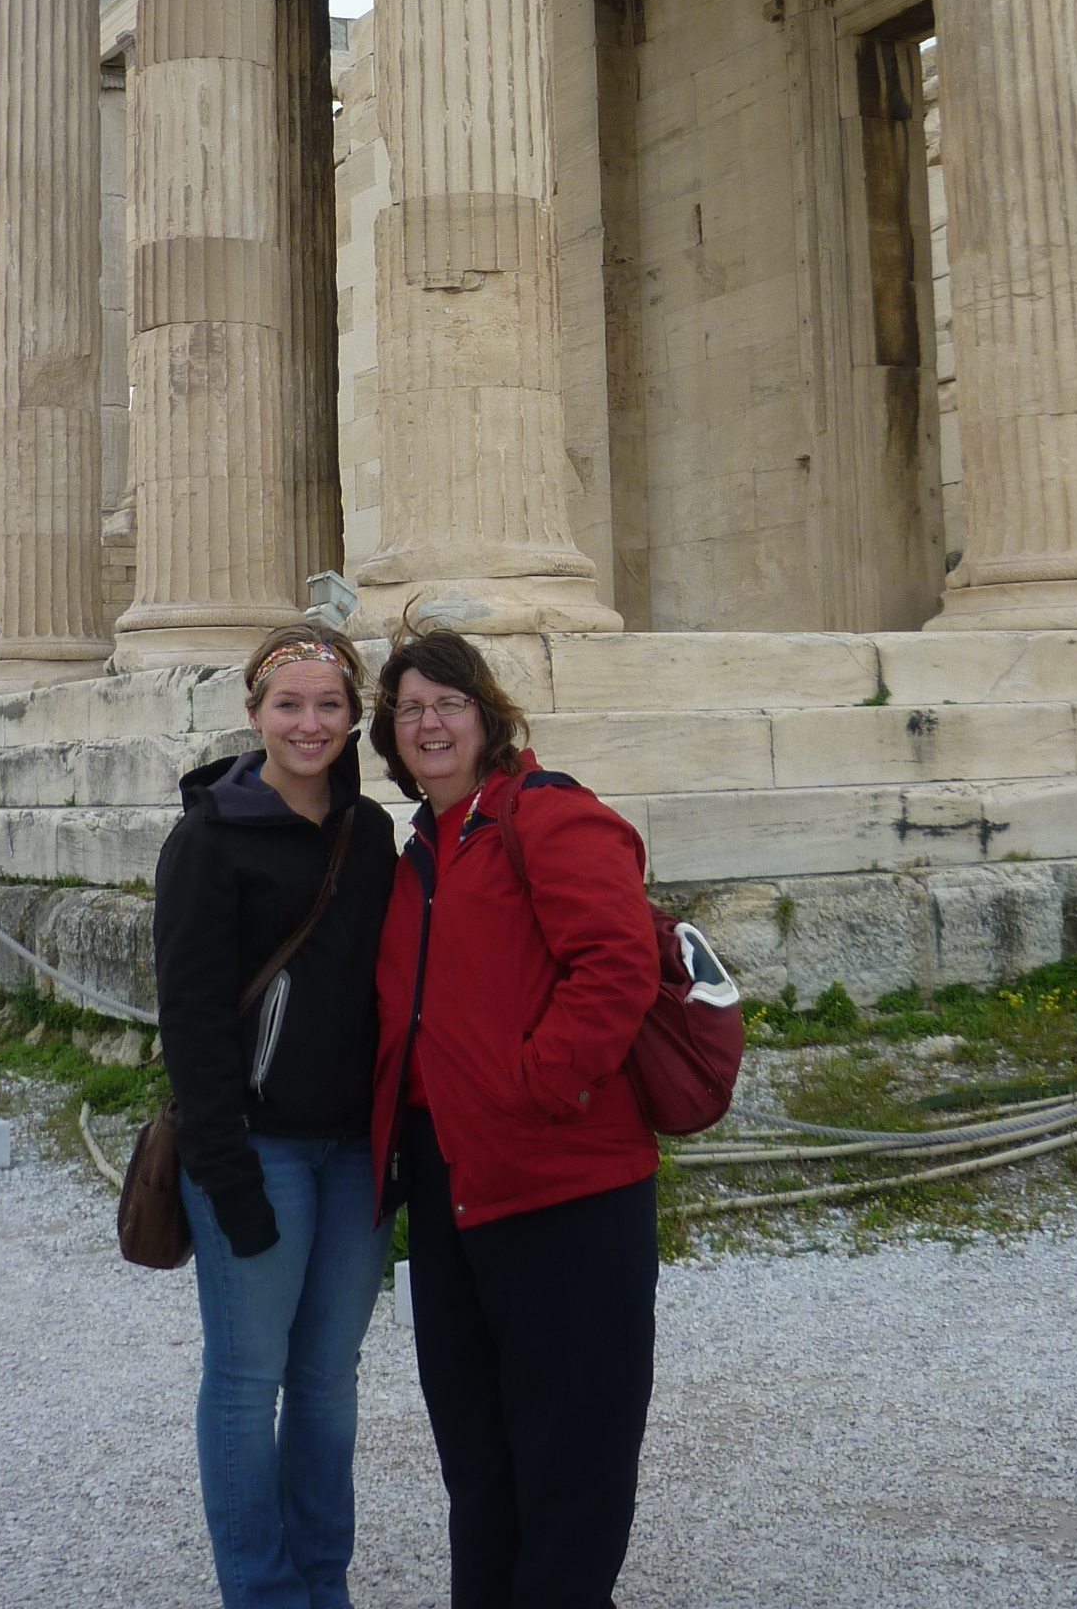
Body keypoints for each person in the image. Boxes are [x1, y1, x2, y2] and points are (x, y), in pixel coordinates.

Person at [369, 625, 661, 1609]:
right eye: (410, 708)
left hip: (562, 1179)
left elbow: (616, 965)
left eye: (448, 703)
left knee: (571, 1453)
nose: (430, 723)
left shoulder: (550, 815)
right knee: (479, 1449)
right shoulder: (420, 850)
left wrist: (533, 1089)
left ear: (487, 716)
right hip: (453, 1187)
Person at [155, 622, 396, 1609]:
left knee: (330, 1379)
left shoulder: (370, 834)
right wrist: (225, 1173)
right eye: (288, 703)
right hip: (257, 1151)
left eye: (329, 704)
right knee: (249, 1380)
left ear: (353, 718)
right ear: (254, 713)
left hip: (355, 1153)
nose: (309, 723)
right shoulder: (208, 838)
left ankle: (322, 1583)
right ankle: (263, 1592)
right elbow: (192, 1018)